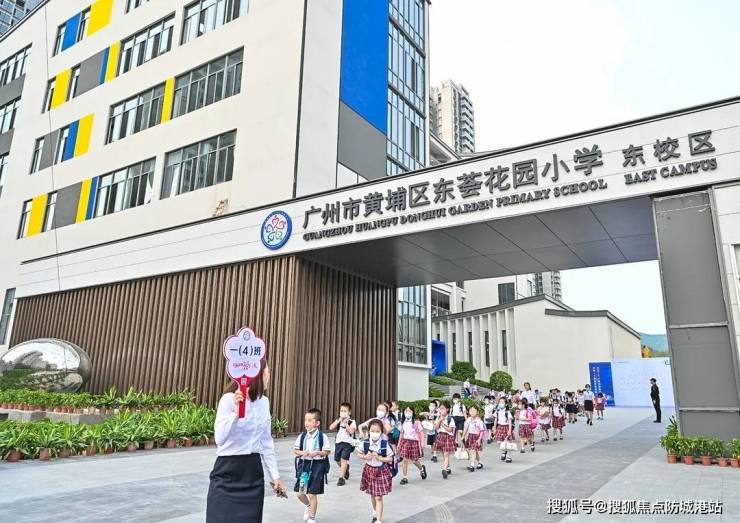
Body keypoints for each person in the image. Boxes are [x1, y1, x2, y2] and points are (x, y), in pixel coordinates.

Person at [206, 361, 285, 523]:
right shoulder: (229, 399)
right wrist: (236, 413)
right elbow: (219, 438)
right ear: (257, 375)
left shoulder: (264, 402)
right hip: (227, 472)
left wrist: (275, 476)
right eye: (267, 372)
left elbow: (266, 442)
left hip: (252, 473)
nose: (269, 376)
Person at [293, 408, 332, 523]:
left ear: (317, 423)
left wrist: (318, 452)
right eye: (306, 420)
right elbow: (295, 451)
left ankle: (312, 517)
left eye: (310, 420)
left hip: (317, 466)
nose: (306, 423)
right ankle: (308, 505)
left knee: (312, 493)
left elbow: (327, 451)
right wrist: (302, 453)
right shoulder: (302, 436)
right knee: (300, 493)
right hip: (304, 465)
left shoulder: (322, 437)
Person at [359, 419, 394, 523]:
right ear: (369, 431)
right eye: (372, 431)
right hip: (369, 470)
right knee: (372, 494)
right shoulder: (365, 442)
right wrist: (365, 457)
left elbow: (390, 458)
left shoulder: (384, 444)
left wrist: (380, 458)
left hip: (381, 471)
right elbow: (359, 454)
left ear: (381, 432)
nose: (374, 433)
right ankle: (375, 510)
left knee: (378, 497)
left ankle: (378, 520)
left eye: (377, 431)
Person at [397, 405, 427, 484]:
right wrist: (399, 444)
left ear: (413, 412)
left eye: (409, 411)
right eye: (406, 411)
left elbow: (421, 432)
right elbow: (401, 433)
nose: (407, 412)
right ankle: (404, 477)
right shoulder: (403, 422)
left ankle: (421, 469)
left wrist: (422, 443)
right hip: (405, 441)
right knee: (405, 460)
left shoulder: (416, 422)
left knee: (414, 460)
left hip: (414, 442)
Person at [329, 402, 356, 486]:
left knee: (343, 459)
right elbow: (331, 427)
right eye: (341, 411)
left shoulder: (352, 421)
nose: (343, 412)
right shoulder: (338, 420)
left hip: (347, 443)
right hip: (338, 442)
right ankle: (345, 468)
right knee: (337, 460)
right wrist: (339, 421)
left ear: (349, 412)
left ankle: (341, 478)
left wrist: (346, 423)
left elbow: (351, 431)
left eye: (345, 411)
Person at [433, 401, 456, 479]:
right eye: (440, 408)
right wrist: (439, 420)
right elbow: (436, 428)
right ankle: (448, 467)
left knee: (446, 454)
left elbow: (450, 430)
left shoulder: (450, 419)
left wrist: (442, 423)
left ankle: (444, 469)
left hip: (448, 437)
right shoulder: (438, 418)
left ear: (447, 409)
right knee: (443, 454)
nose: (441, 410)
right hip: (440, 436)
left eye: (443, 408)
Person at [462, 405, 486, 471]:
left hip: (477, 437)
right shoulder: (468, 419)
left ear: (477, 412)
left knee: (473, 451)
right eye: (470, 411)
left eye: (474, 410)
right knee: (473, 451)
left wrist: (479, 439)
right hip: (470, 436)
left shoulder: (479, 421)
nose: (472, 412)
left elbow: (482, 431)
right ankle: (480, 462)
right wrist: (463, 436)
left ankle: (472, 465)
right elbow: (466, 428)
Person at [493, 396, 514, 463]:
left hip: (506, 427)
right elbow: (495, 420)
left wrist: (509, 430)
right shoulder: (497, 411)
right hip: (499, 427)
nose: (500, 404)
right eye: (500, 402)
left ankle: (509, 457)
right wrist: (494, 428)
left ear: (505, 404)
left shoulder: (507, 412)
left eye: (502, 402)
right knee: (499, 441)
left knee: (508, 442)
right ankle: (504, 451)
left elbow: (510, 421)